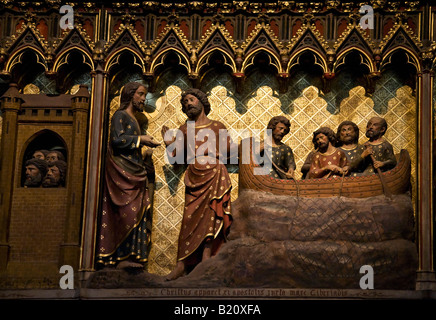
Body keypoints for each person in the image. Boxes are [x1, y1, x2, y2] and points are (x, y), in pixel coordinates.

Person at [161, 88, 233, 280]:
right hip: (194, 176)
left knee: (213, 215)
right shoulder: (185, 130)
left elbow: (230, 152)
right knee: (189, 218)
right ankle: (181, 264)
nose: (188, 104)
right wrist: (169, 144)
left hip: (215, 174)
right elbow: (177, 161)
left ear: (202, 101)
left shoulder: (217, 126)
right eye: (184, 102)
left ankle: (207, 258)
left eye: (191, 99)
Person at [96, 82, 160, 270]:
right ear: (130, 95)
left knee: (136, 214)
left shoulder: (135, 120)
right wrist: (141, 140)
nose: (143, 99)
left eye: (144, 95)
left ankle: (132, 255)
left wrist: (145, 153)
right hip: (121, 173)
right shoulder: (120, 115)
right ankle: (118, 256)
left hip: (134, 172)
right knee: (125, 215)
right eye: (140, 94)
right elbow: (117, 140)